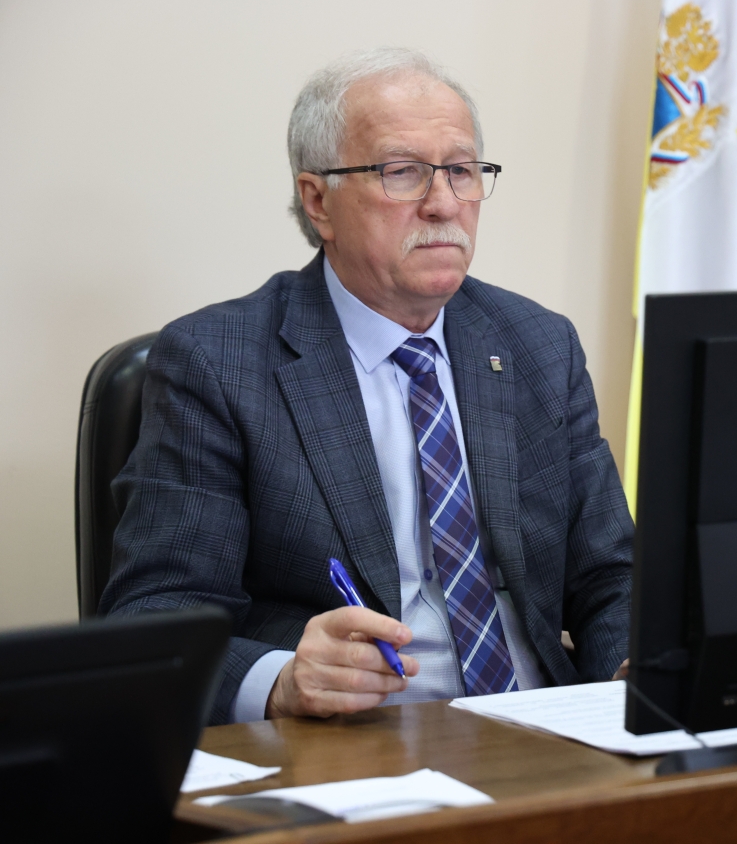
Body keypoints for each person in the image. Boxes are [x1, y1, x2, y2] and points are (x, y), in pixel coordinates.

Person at [100, 48, 633, 726]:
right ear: (318, 200)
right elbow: (155, 615)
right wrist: (282, 680)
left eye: (461, 170)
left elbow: (611, 576)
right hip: (357, 744)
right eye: (401, 172)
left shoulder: (538, 344)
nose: (443, 203)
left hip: (547, 730)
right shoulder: (218, 363)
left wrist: (632, 673)